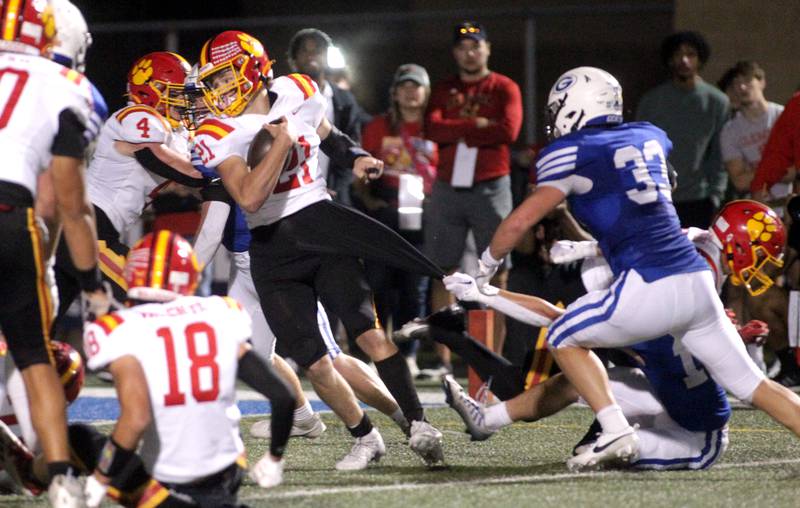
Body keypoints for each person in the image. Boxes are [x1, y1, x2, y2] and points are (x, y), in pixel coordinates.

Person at [474, 66, 800, 472]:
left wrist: (484, 269)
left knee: (563, 333)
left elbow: (521, 221)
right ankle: (516, 420)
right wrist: (592, 243)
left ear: (574, 109)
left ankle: (613, 427)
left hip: (652, 282)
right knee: (756, 387)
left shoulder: (569, 151)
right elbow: (653, 196)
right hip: (693, 286)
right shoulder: (649, 134)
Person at [194, 30, 445, 466]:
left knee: (366, 332)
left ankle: (419, 421)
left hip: (321, 226)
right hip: (271, 245)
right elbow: (249, 198)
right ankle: (366, 437)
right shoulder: (219, 131)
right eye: (213, 82)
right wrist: (282, 143)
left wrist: (356, 156)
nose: (218, 90)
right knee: (312, 359)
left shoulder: (297, 91)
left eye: (224, 78)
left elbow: (327, 132)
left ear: (253, 71)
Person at [439, 200, 778, 471]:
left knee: (608, 446)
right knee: (576, 374)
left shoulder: (679, 279)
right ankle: (489, 419)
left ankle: (612, 437)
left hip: (695, 423)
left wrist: (587, 249)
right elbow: (559, 319)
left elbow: (683, 238)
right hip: (670, 398)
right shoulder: (656, 288)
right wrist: (485, 295)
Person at [81, 231, 297, 506]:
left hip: (166, 478)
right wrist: (274, 457)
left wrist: (100, 479)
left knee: (79, 438)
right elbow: (283, 396)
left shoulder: (119, 327)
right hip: (227, 470)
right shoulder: (220, 312)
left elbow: (135, 419)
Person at [0, 0, 108, 503]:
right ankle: (59, 475)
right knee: (40, 358)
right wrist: (89, 284)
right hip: (12, 218)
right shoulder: (67, 88)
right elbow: (63, 200)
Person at [53, 50, 206, 330]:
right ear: (153, 90)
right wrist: (209, 174)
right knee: (149, 297)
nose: (184, 102)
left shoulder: (173, 135)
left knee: (38, 327)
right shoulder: (136, 114)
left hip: (83, 229)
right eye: (176, 92)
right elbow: (161, 160)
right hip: (89, 230)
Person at [425, 20, 523, 359]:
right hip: (448, 186)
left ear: (488, 48)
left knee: (497, 273)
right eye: (463, 47)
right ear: (455, 52)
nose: (470, 53)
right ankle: (444, 361)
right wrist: (479, 125)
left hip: (491, 185)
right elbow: (433, 128)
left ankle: (491, 356)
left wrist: (460, 131)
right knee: (442, 271)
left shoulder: (504, 87)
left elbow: (508, 131)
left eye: (476, 46)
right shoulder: (443, 89)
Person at [357, 63, 438, 376]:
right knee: (379, 283)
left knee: (413, 288)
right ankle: (380, 352)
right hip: (386, 209)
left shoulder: (437, 128)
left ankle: (409, 353)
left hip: (423, 212)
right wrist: (368, 200)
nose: (410, 91)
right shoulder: (379, 126)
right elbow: (361, 171)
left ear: (426, 92)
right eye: (404, 85)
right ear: (394, 92)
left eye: (416, 85)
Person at [636, 31, 729, 228]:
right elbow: (638, 148)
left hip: (700, 199)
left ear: (700, 59)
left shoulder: (717, 101)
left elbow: (719, 154)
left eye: (691, 54)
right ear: (670, 60)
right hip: (658, 196)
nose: (684, 60)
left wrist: (715, 195)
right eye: (678, 54)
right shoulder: (651, 101)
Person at [287, 28, 371, 206]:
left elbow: (351, 143)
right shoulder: (281, 98)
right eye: (304, 50)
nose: (311, 56)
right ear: (293, 58)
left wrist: (336, 188)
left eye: (317, 50)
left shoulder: (344, 99)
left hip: (335, 196)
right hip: (291, 197)